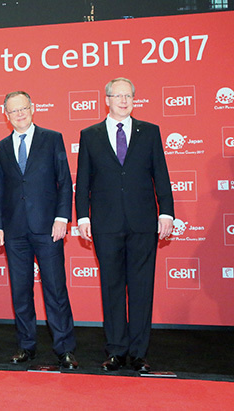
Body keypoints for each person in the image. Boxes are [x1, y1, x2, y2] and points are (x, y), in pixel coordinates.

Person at [76, 77, 174, 372]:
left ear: (134, 99)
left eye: (128, 96)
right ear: (106, 100)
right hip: (105, 223)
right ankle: (116, 350)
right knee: (112, 288)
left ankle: (139, 353)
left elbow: (161, 174)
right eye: (117, 96)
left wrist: (167, 213)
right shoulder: (89, 135)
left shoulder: (150, 132)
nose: (123, 100)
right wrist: (83, 216)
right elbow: (83, 180)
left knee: (142, 289)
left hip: (143, 222)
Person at [0, 91, 78, 369]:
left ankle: (64, 348)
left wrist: (62, 217)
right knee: (21, 291)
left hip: (48, 228)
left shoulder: (52, 139)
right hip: (14, 231)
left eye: (23, 108)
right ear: (6, 116)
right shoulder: (1, 148)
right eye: (13, 111)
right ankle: (26, 346)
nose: (19, 114)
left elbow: (64, 181)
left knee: (55, 289)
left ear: (33, 108)